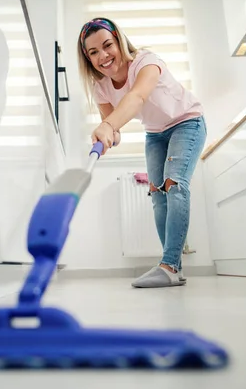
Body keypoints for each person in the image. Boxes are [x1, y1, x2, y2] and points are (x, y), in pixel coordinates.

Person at [77, 17, 207, 288]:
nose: (103, 56)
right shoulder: (100, 86)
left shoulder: (146, 62)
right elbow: (114, 125)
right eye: (93, 52)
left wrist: (108, 125)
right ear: (87, 59)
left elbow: (136, 98)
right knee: (157, 194)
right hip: (155, 134)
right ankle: (175, 268)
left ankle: (169, 266)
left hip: (187, 122)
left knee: (175, 185)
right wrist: (107, 135)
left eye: (107, 45)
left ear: (119, 40)